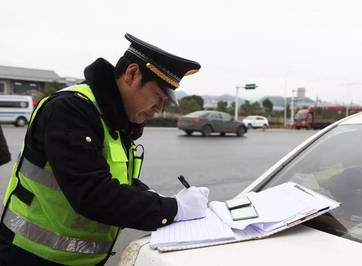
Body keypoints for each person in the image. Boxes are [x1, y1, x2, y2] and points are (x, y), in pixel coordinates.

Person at [0, 33, 209, 266]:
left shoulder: (114, 120)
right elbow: (92, 194)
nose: (158, 109)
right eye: (157, 97)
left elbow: (115, 180)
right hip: (30, 256)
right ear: (131, 74)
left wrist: (158, 198)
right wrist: (173, 209)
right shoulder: (70, 110)